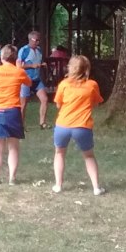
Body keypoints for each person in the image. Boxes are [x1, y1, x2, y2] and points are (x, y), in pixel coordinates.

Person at [51, 55, 105, 196]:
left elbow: (58, 104)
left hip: (63, 125)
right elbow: (96, 103)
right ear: (86, 69)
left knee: (59, 153)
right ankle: (96, 187)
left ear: (71, 68)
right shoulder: (92, 85)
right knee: (89, 156)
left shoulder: (63, 84)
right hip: (82, 126)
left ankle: (58, 185)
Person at [0, 45, 32, 185]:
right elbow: (29, 83)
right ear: (15, 58)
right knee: (13, 146)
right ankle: (12, 178)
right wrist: (20, 68)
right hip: (13, 111)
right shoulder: (19, 71)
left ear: (2, 57)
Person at [17, 31, 51, 129]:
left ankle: (42, 123)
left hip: (36, 79)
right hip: (25, 80)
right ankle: (21, 126)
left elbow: (38, 62)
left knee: (44, 99)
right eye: (36, 40)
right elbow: (19, 66)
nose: (38, 42)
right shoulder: (24, 50)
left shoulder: (39, 50)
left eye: (39, 40)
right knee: (23, 104)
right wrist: (31, 66)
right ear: (30, 39)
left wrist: (43, 64)